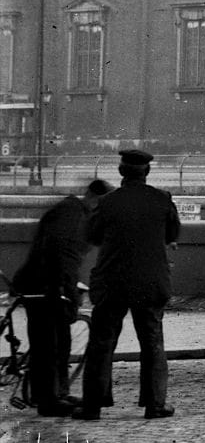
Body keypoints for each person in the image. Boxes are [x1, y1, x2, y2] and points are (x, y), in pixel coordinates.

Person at [75, 149, 181, 421]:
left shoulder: (107, 203)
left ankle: (92, 406)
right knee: (153, 342)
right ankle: (155, 404)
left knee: (101, 344)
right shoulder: (162, 200)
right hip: (150, 282)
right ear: (147, 172)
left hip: (113, 282)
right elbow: (172, 234)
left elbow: (92, 236)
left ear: (121, 172)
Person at [8, 179, 110, 416]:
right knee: (49, 344)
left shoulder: (72, 212)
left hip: (47, 284)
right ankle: (48, 400)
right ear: (96, 200)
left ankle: (56, 393)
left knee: (58, 340)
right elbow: (60, 256)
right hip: (46, 287)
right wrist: (65, 290)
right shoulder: (73, 216)